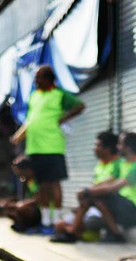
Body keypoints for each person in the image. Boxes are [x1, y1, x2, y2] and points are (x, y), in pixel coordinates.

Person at [10, 64, 85, 232]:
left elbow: (79, 106)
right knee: (42, 186)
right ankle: (45, 221)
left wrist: (63, 119)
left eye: (39, 78)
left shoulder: (59, 94)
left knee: (54, 185)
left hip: (52, 147)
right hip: (35, 148)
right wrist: (18, 136)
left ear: (48, 79)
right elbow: (30, 121)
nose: (36, 81)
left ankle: (56, 220)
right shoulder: (34, 96)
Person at [51, 132, 136, 243]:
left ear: (128, 148)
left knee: (96, 196)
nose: (117, 147)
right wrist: (88, 191)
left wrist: (87, 191)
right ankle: (113, 234)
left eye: (120, 144)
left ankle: (73, 233)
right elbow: (107, 183)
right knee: (93, 197)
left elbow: (111, 188)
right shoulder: (125, 164)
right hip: (127, 207)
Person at [54, 130, 123, 240]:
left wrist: (86, 191)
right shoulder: (99, 165)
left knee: (88, 211)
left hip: (109, 208)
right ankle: (77, 233)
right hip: (93, 206)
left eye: (97, 145)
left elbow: (107, 187)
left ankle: (73, 232)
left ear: (108, 148)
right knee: (59, 225)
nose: (94, 148)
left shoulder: (118, 165)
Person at [0, 156, 41, 232]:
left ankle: (29, 224)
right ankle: (20, 224)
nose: (18, 175)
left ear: (28, 170)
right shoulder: (27, 181)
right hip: (31, 206)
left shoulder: (36, 181)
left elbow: (39, 199)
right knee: (8, 207)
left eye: (19, 172)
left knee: (22, 208)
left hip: (40, 211)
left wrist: (20, 204)